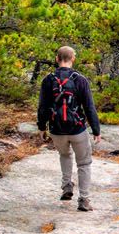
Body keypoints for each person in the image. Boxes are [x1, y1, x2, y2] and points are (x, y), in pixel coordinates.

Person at [37, 46, 102, 211]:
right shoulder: (80, 79)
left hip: (57, 130)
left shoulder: (48, 80)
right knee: (84, 163)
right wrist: (96, 130)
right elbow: (89, 107)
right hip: (77, 129)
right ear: (73, 59)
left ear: (57, 59)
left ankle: (67, 186)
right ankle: (84, 200)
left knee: (64, 155)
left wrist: (41, 127)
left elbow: (43, 107)